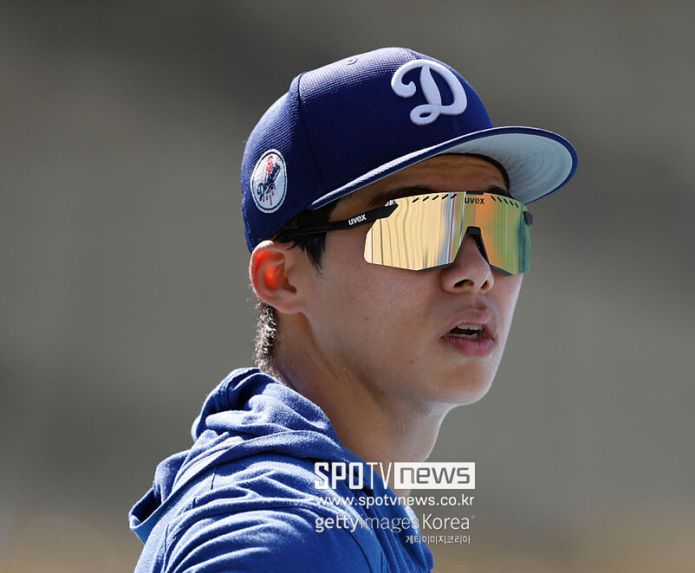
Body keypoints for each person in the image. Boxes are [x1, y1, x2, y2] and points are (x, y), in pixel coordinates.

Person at [129, 46, 577, 572]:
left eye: (500, 225)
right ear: (282, 278)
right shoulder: (290, 535)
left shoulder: (338, 514)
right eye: (418, 226)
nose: (477, 270)